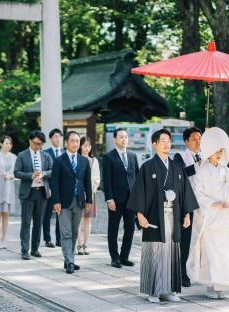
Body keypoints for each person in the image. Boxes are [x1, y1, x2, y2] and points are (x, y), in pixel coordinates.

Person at [126, 128, 199, 304]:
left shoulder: (177, 167)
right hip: (154, 217)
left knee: (172, 253)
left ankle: (170, 290)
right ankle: (154, 291)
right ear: (155, 144)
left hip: (173, 215)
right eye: (163, 141)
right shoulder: (148, 167)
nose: (167, 144)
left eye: (168, 141)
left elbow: (185, 192)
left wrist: (187, 214)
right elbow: (140, 192)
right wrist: (139, 214)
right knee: (156, 252)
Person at [186, 127, 229, 300]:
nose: (218, 154)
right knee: (212, 253)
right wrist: (213, 203)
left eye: (220, 151)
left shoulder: (226, 171)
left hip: (225, 217)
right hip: (210, 218)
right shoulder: (201, 171)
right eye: (215, 151)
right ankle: (212, 285)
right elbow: (198, 193)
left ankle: (221, 286)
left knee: (224, 253)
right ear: (208, 152)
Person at [50, 131, 92, 274]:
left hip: (79, 200)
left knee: (74, 232)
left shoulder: (84, 161)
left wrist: (89, 200)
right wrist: (56, 200)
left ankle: (70, 258)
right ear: (66, 142)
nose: (75, 143)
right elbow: (54, 182)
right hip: (63, 201)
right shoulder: (59, 160)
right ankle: (69, 261)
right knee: (66, 232)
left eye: (77, 141)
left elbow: (87, 182)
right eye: (72, 141)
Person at [103, 127, 139, 268]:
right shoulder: (109, 157)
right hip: (116, 200)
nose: (124, 139)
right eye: (121, 137)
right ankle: (115, 258)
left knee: (130, 228)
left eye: (126, 137)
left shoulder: (132, 156)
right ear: (115, 139)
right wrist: (109, 199)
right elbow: (106, 180)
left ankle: (124, 256)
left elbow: (136, 177)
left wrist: (138, 198)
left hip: (131, 199)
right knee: (113, 228)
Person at [14, 130, 53, 260]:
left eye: (40, 144)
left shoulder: (46, 155)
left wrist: (44, 174)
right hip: (28, 193)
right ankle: (24, 250)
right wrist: (31, 175)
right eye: (36, 143)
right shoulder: (22, 155)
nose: (38, 146)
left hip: (42, 192)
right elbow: (16, 172)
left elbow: (53, 171)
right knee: (26, 222)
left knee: (38, 222)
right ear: (30, 141)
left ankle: (35, 249)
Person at [173, 126, 202, 287]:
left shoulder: (207, 156)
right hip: (188, 204)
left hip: (204, 204)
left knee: (200, 239)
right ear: (186, 141)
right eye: (194, 139)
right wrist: (197, 166)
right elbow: (180, 174)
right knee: (186, 240)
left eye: (200, 138)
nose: (198, 141)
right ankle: (183, 273)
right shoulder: (180, 156)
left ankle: (198, 271)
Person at [0, 135, 17, 249]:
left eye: (10, 143)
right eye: (6, 143)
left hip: (9, 186)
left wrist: (10, 176)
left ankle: (4, 238)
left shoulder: (14, 157)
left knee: (6, 214)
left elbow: (17, 172)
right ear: (1, 144)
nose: (8, 145)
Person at [77, 136, 101, 255]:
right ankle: (79, 244)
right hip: (78, 194)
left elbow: (96, 178)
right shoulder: (76, 159)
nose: (87, 148)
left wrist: (91, 191)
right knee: (77, 219)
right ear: (80, 146)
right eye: (84, 145)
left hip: (91, 193)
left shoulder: (94, 161)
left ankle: (86, 244)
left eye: (88, 145)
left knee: (87, 219)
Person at [43, 128, 64, 248]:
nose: (58, 139)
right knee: (47, 214)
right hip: (50, 188)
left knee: (60, 213)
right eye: (55, 136)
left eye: (60, 137)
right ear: (50, 139)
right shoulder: (46, 153)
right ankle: (47, 239)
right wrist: (48, 187)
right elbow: (45, 171)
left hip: (62, 189)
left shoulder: (65, 153)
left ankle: (59, 238)